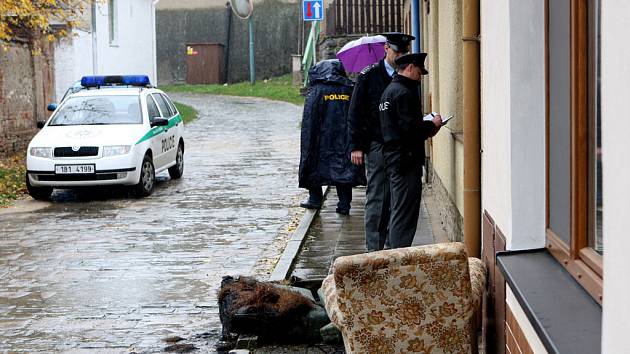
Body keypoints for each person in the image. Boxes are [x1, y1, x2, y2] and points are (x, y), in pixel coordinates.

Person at [347, 32, 415, 251]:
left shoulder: (407, 74)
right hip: (378, 144)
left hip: (401, 146)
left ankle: (393, 249)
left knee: (400, 200)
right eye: (398, 52)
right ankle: (374, 251)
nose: (401, 56)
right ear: (387, 48)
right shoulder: (368, 76)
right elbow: (355, 113)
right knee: (378, 198)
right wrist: (356, 145)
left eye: (405, 52)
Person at [378, 53, 442, 248]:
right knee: (405, 214)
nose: (420, 77)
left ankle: (391, 251)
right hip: (406, 160)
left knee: (397, 210)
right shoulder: (404, 93)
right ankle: (397, 256)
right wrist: (433, 125)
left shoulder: (389, 91)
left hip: (394, 159)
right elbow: (410, 130)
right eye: (419, 72)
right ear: (411, 67)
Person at [298, 59, 366, 215]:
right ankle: (344, 205)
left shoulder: (316, 90)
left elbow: (309, 119)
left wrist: (308, 141)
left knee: (314, 165)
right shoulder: (350, 88)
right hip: (345, 139)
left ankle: (315, 199)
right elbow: (357, 114)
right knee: (344, 169)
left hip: (320, 139)